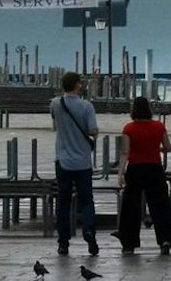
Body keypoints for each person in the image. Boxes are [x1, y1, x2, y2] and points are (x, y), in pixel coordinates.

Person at [116, 95, 171, 255]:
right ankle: (165, 239)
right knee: (160, 205)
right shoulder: (158, 126)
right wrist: (155, 148)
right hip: (154, 168)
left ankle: (129, 242)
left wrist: (120, 174)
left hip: (135, 168)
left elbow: (125, 152)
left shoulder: (128, 128)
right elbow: (168, 147)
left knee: (131, 206)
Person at [49, 70, 99, 256]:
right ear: (77, 85)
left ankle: (63, 242)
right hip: (83, 161)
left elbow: (55, 123)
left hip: (62, 160)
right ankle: (89, 232)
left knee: (63, 202)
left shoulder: (55, 103)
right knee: (87, 201)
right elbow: (93, 130)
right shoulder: (86, 106)